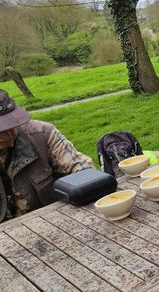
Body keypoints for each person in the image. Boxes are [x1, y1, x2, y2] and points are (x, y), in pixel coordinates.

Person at [0, 89, 93, 222]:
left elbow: (82, 169)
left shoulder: (43, 133)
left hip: (54, 221)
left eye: (10, 123)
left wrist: (89, 185)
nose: (7, 134)